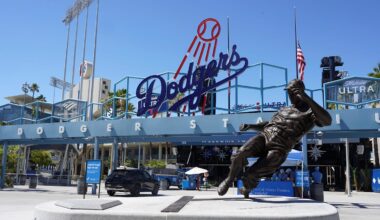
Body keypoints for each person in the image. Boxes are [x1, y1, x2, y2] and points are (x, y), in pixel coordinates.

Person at [217, 79, 332, 198]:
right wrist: (251, 126)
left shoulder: (310, 113)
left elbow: (327, 121)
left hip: (279, 148)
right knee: (240, 153)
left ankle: (247, 189)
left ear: (301, 92)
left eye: (293, 92)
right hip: (266, 136)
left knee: (250, 175)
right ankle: (229, 180)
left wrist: (306, 97)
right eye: (289, 93)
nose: (290, 95)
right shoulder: (284, 109)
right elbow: (269, 125)